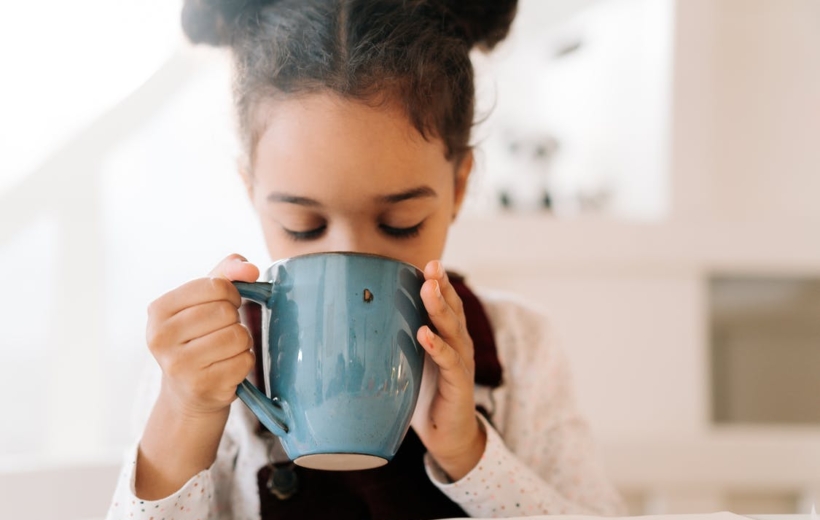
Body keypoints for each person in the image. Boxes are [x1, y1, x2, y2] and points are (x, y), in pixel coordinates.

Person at [106, 0, 625, 518]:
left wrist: (470, 454)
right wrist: (184, 417)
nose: (349, 257)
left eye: (401, 224)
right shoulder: (207, 369)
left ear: (459, 186)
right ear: (252, 190)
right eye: (302, 227)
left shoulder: (519, 351)